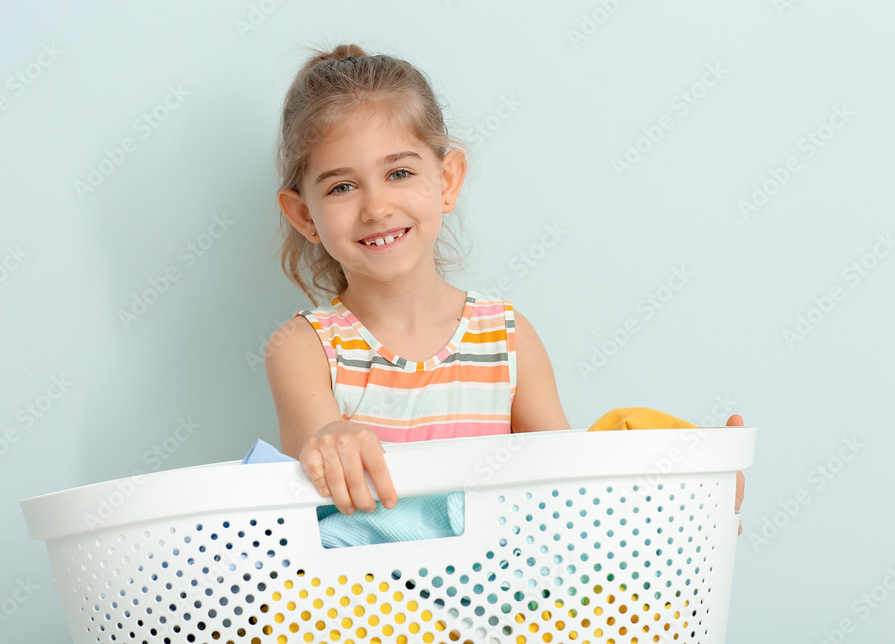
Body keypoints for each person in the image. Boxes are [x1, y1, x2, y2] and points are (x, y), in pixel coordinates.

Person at [265, 43, 745, 533]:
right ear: (304, 215)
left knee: (626, 429)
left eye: (400, 173)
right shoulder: (304, 349)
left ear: (447, 181)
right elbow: (319, 474)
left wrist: (685, 492)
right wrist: (330, 440)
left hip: (508, 588)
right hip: (377, 593)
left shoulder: (507, 338)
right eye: (342, 187)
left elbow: (569, 490)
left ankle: (697, 498)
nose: (377, 207)